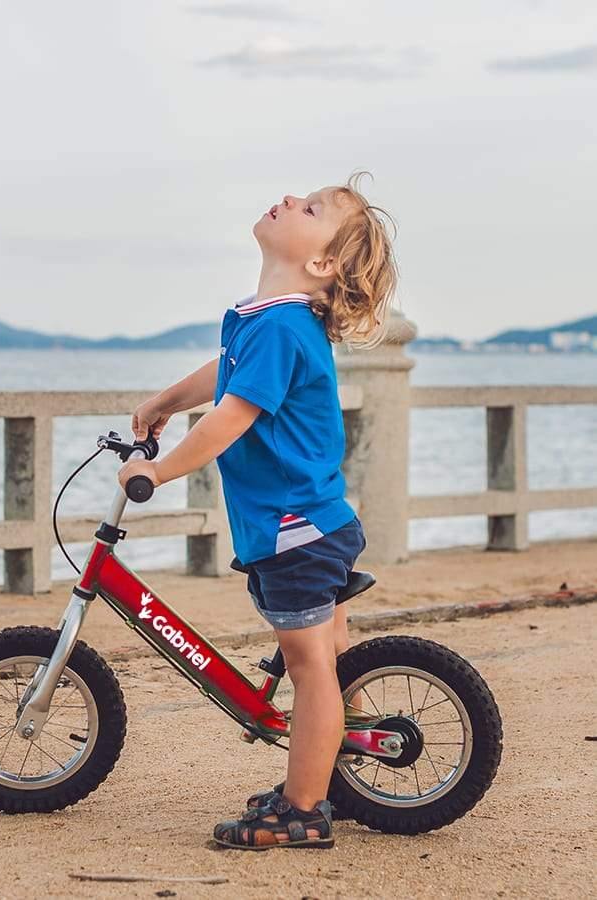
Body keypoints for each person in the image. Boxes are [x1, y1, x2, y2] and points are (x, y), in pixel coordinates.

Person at [118, 173, 397, 850]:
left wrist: (157, 468)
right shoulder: (264, 319)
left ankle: (303, 810)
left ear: (323, 263)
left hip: (296, 530)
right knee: (324, 657)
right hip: (312, 520)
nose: (289, 199)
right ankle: (328, 772)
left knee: (310, 668)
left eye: (310, 209)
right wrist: (164, 401)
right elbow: (228, 372)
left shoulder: (280, 326)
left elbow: (232, 418)